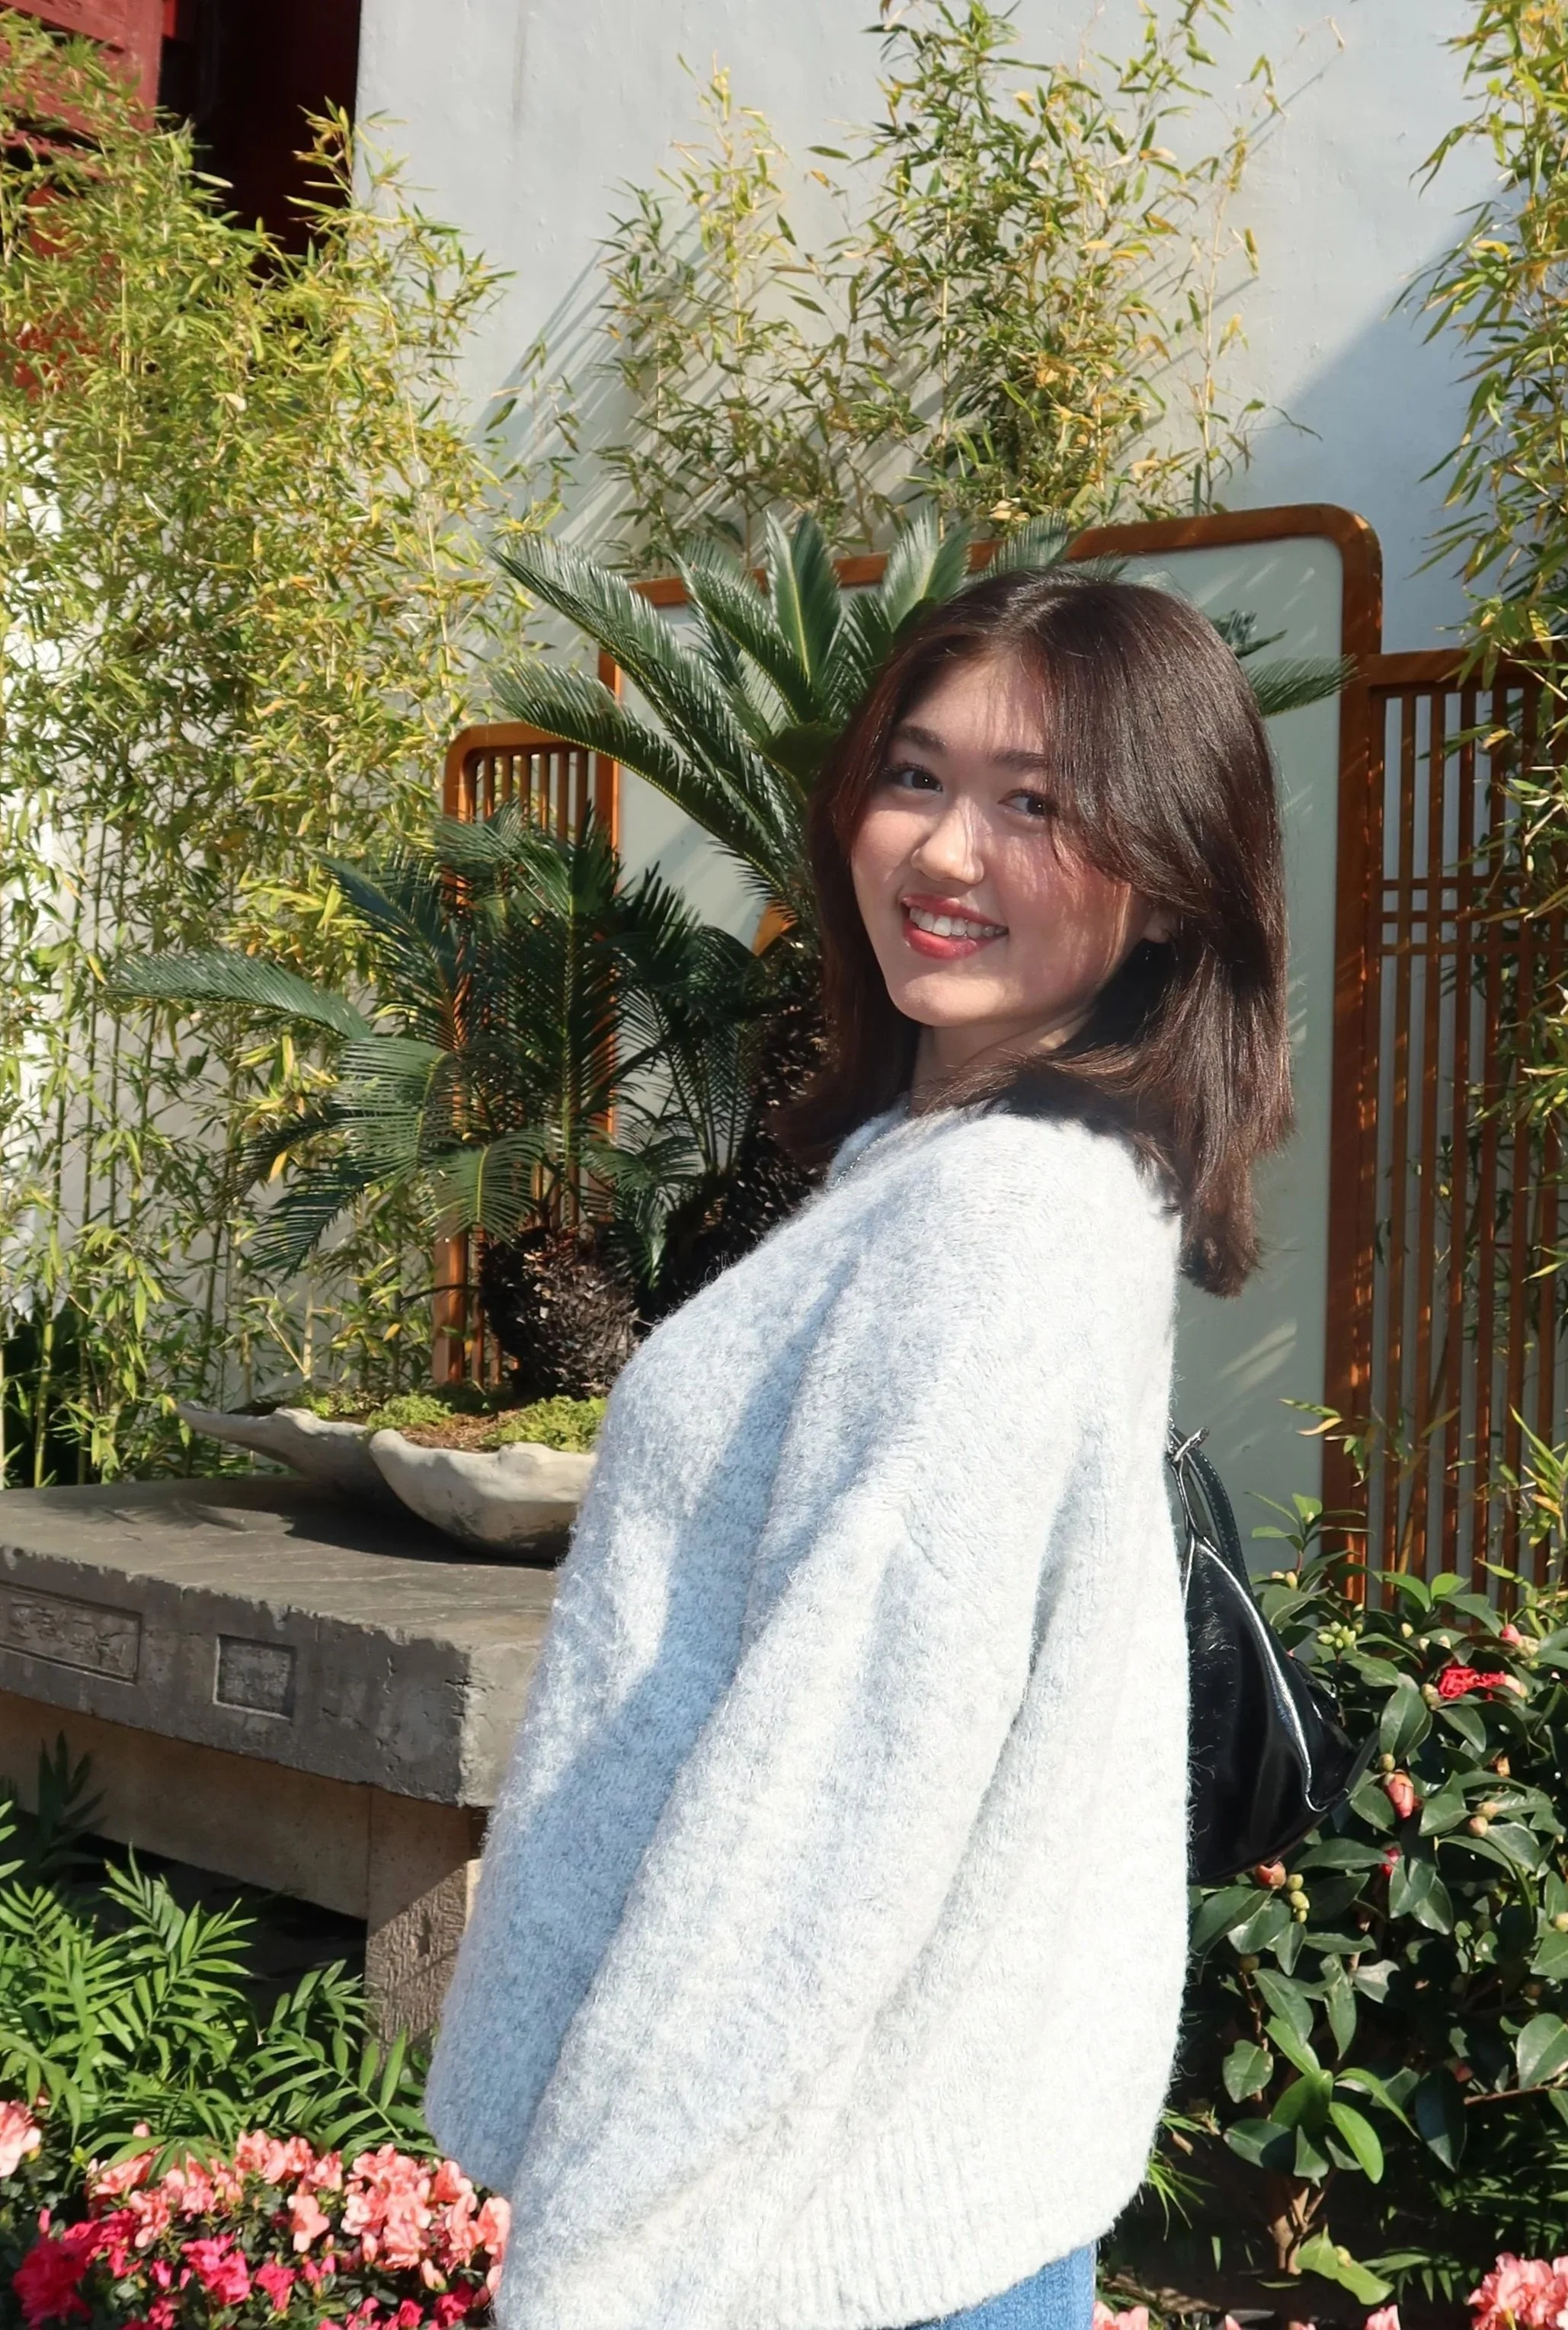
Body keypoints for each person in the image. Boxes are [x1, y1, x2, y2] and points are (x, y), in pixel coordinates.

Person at [424, 565, 1292, 2330]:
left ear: (1165, 876)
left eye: (1034, 802)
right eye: (916, 775)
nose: (944, 852)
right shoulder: (962, 1165)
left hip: (791, 2226)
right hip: (880, 2192)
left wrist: (604, 2242)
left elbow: (829, 1793)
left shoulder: (991, 1228)